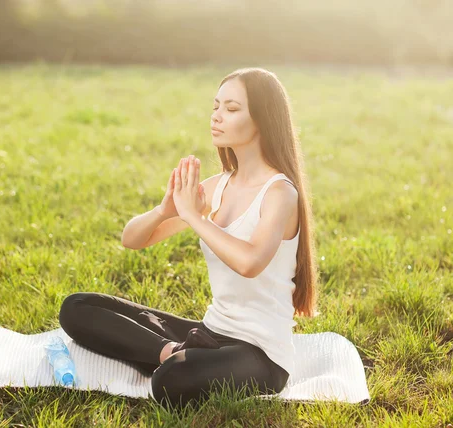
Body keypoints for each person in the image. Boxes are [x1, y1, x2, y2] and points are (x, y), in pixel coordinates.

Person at [59, 67, 318, 410]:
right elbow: (132, 239)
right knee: (77, 307)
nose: (217, 116)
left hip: (261, 355)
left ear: (263, 119)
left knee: (169, 381)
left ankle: (171, 358)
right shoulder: (218, 186)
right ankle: (171, 352)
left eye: (231, 108)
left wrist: (194, 216)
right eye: (215, 106)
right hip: (211, 331)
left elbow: (250, 262)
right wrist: (164, 210)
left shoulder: (280, 193)